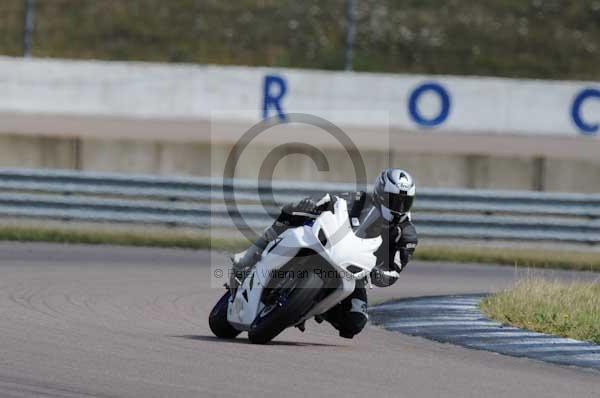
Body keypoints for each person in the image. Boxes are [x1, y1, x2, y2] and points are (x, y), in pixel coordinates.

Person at [232, 168, 418, 339]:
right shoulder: (360, 199)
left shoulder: (407, 236)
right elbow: (333, 199)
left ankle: (319, 307)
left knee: (354, 322)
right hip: (331, 245)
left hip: (357, 272)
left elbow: (394, 271)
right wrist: (314, 202)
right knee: (292, 211)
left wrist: (379, 274)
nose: (398, 206)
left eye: (404, 202)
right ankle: (251, 254)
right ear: (380, 192)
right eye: (394, 199)